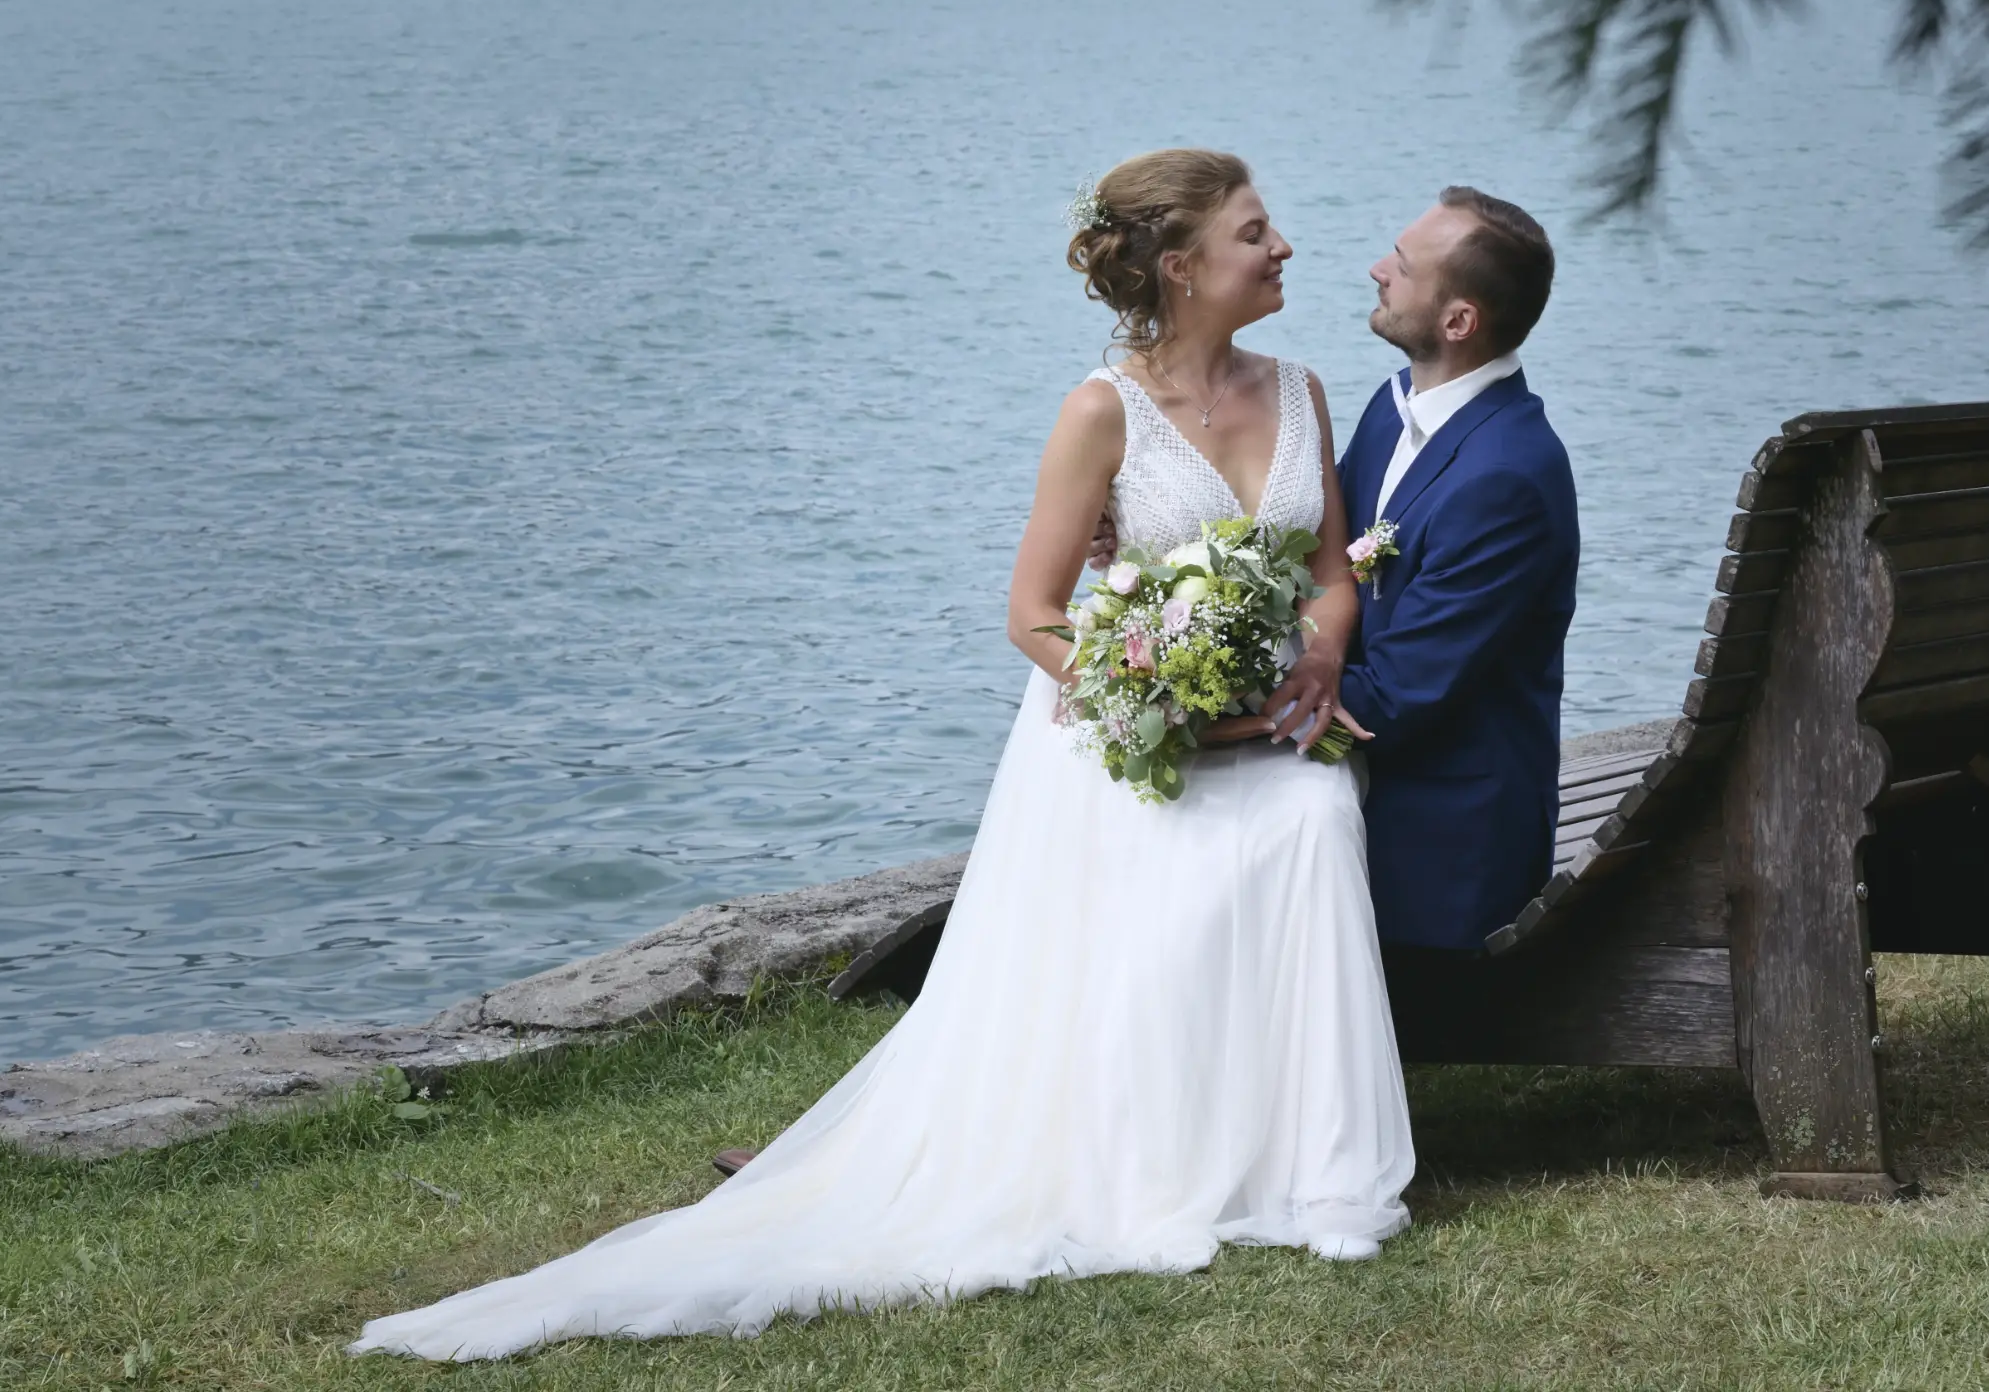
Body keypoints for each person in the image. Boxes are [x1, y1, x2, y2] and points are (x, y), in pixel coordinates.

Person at [350, 149, 1414, 1361]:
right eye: (1254, 233)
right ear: (1179, 269)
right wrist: (1145, 701)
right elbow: (1033, 613)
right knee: (1171, 859)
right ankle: (1146, 1160)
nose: (1282, 250)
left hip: (1269, 721)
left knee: (1312, 818)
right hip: (1129, 732)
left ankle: (1311, 1171)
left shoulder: (1303, 387)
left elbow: (1329, 573)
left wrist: (1319, 661)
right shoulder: (1098, 412)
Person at [1336, 189, 1578, 952]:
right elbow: (1309, 554)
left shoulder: (1503, 481)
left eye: (1401, 267)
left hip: (1439, 843)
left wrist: (1204, 683)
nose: (1377, 269)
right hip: (1373, 778)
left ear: (1458, 321)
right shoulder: (1394, 405)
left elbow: (1393, 704)